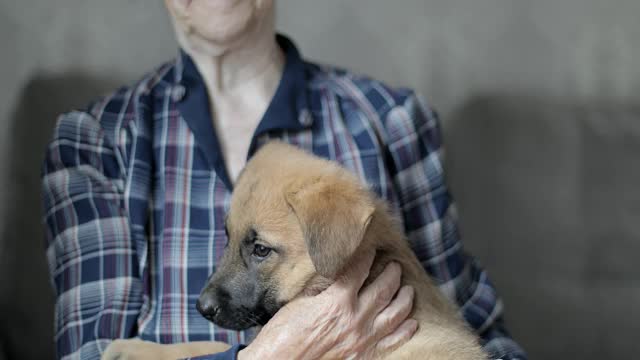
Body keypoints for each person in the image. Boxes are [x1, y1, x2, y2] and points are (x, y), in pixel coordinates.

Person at [41, 0, 527, 359]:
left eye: (257, 249)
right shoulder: (96, 141)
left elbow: (472, 326)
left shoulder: (391, 120)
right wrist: (268, 355)